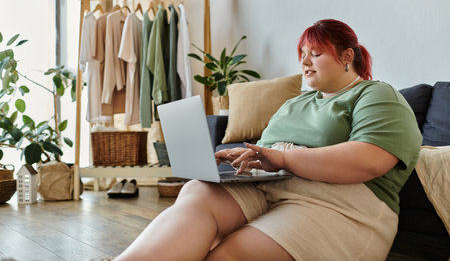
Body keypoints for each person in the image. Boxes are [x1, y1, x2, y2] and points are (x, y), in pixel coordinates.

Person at [115, 19, 422, 260]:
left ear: (347, 56)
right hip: (269, 187)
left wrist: (285, 158)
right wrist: (245, 155)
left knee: (229, 254)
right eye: (301, 55)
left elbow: (369, 160)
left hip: (337, 202)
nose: (305, 62)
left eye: (315, 54)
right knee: (199, 191)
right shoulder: (295, 103)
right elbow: (269, 151)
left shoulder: (376, 94)